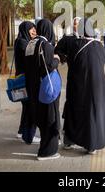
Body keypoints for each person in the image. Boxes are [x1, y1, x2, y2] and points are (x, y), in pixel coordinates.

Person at [56, 18, 105, 155]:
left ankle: (69, 141)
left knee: (74, 110)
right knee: (92, 113)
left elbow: (62, 54)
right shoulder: (99, 46)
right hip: (97, 87)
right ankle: (91, 145)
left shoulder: (74, 44)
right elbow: (102, 61)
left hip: (77, 84)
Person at [24, 19, 61, 161]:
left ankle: (44, 147)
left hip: (33, 88)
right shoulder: (45, 45)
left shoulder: (30, 43)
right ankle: (47, 152)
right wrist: (56, 58)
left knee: (41, 118)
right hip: (45, 88)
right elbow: (50, 65)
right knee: (49, 119)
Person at [13, 21, 40, 144]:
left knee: (26, 106)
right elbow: (32, 57)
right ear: (25, 29)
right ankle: (29, 134)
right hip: (26, 79)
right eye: (31, 29)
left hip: (22, 77)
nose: (34, 31)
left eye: (34, 29)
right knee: (30, 106)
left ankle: (21, 131)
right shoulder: (23, 43)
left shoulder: (20, 41)